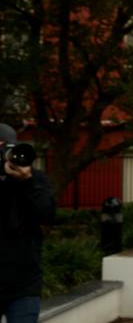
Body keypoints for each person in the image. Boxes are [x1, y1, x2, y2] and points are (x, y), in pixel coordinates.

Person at [0, 123, 55, 323]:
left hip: (24, 283)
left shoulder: (35, 179)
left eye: (6, 149)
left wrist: (27, 181)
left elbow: (48, 215)